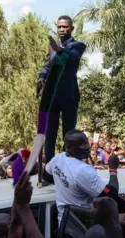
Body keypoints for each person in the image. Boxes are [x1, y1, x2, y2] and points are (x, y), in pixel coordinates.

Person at [37, 15, 86, 164]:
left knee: (69, 133)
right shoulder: (52, 47)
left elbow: (72, 58)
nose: (62, 29)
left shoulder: (77, 45)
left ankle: (68, 165)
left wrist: (60, 50)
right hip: (52, 96)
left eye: (65, 27)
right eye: (59, 27)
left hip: (69, 96)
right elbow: (47, 65)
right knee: (50, 132)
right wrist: (41, 78)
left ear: (71, 28)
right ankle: (50, 167)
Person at [44, 129, 119, 224]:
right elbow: (111, 194)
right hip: (82, 228)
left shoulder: (58, 158)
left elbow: (45, 175)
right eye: (81, 144)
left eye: (86, 142)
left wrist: (65, 182)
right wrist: (113, 169)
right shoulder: (83, 171)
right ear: (68, 147)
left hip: (65, 226)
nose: (87, 147)